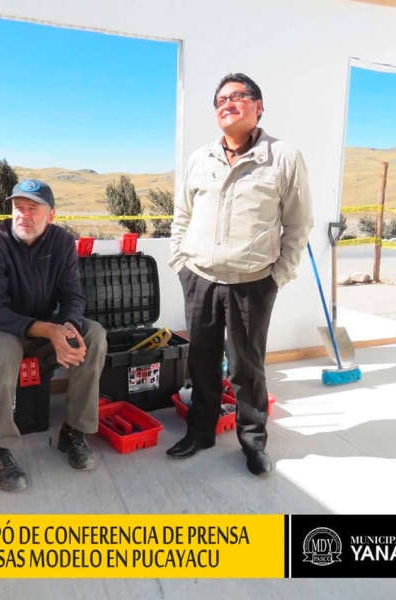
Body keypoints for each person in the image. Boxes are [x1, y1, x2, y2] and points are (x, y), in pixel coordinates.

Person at [167, 73, 314, 475]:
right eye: (220, 100)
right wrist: (181, 264)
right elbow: (182, 215)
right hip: (199, 276)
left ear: (259, 105)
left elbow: (298, 224)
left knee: (247, 367)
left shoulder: (283, 156)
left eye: (237, 96)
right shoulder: (201, 158)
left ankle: (253, 442)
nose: (227, 104)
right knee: (201, 361)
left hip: (253, 281)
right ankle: (200, 432)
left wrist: (277, 276)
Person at [0, 178, 107, 492]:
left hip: (41, 327)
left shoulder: (62, 242)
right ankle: (0, 448)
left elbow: (73, 297)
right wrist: (49, 329)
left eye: (32, 209)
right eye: (18, 208)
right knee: (6, 347)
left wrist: (66, 328)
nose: (23, 215)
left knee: (92, 335)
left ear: (50, 215)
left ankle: (74, 432)